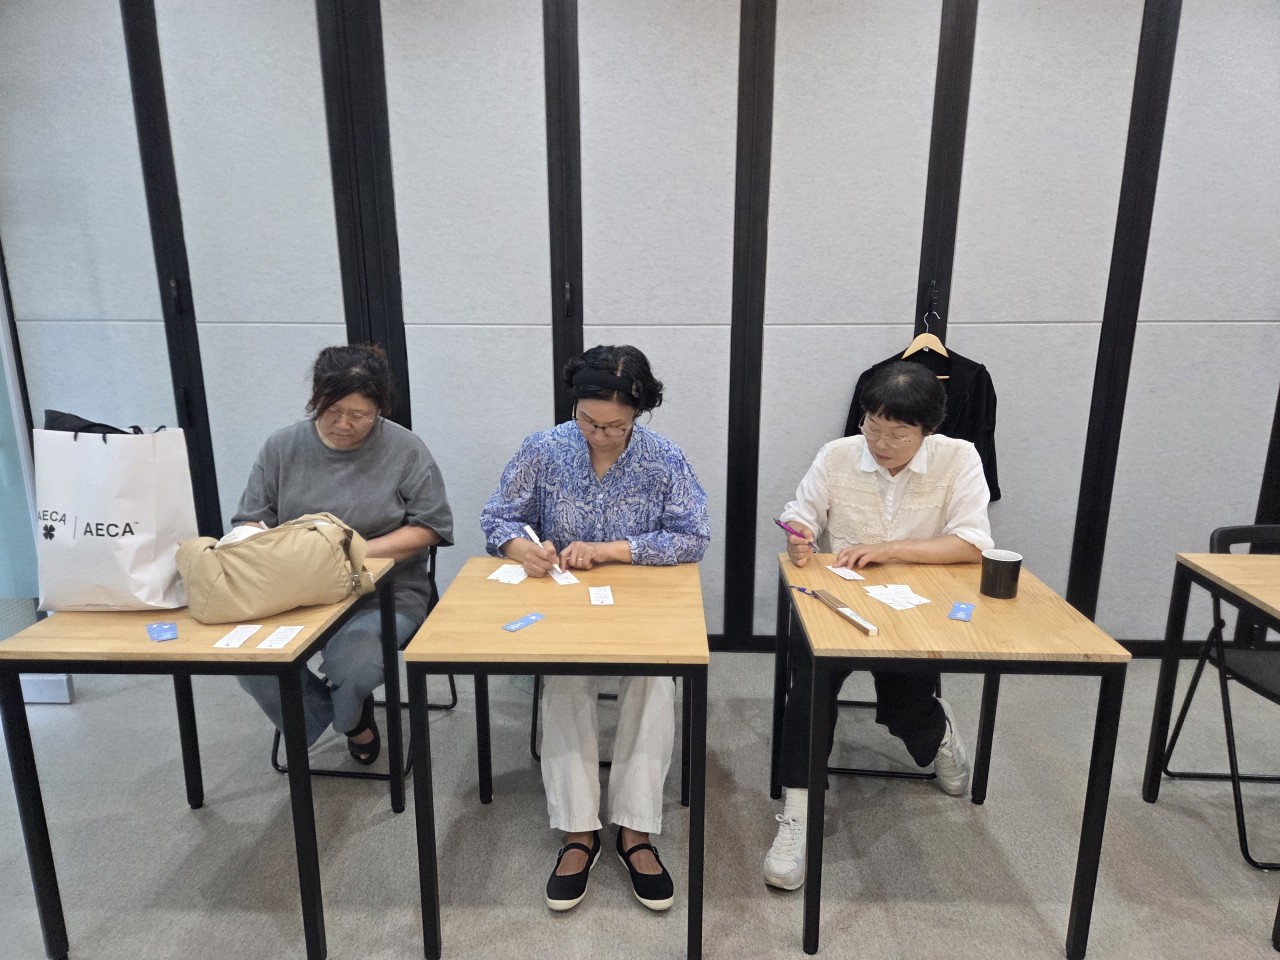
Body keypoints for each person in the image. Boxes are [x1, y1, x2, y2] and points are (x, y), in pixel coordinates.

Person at [481, 344, 710, 913]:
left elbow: (693, 536)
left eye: (615, 426)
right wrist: (522, 549)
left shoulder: (663, 457)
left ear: (638, 415)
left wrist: (611, 550)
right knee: (564, 680)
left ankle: (635, 829)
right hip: (564, 602)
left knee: (655, 681)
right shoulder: (544, 448)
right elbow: (498, 517)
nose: (600, 435)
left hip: (640, 602)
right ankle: (578, 830)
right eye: (588, 421)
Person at [763, 360, 993, 891]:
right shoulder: (837, 454)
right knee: (809, 695)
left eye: (897, 434)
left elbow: (973, 543)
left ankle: (939, 734)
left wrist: (889, 549)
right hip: (836, 599)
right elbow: (801, 514)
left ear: (927, 429)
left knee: (904, 707)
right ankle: (798, 812)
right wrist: (798, 535)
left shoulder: (960, 457)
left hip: (916, 606)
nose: (881, 444)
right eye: (872, 427)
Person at [233, 344, 453, 764]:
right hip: (295, 592)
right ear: (315, 398)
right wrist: (255, 540)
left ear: (379, 409)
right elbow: (251, 520)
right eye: (332, 411)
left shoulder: (404, 449)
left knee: (354, 662)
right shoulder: (282, 447)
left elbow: (431, 526)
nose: (344, 424)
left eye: (359, 414)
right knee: (251, 661)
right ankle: (348, 720)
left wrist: (352, 551)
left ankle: (348, 713)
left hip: (383, 592)